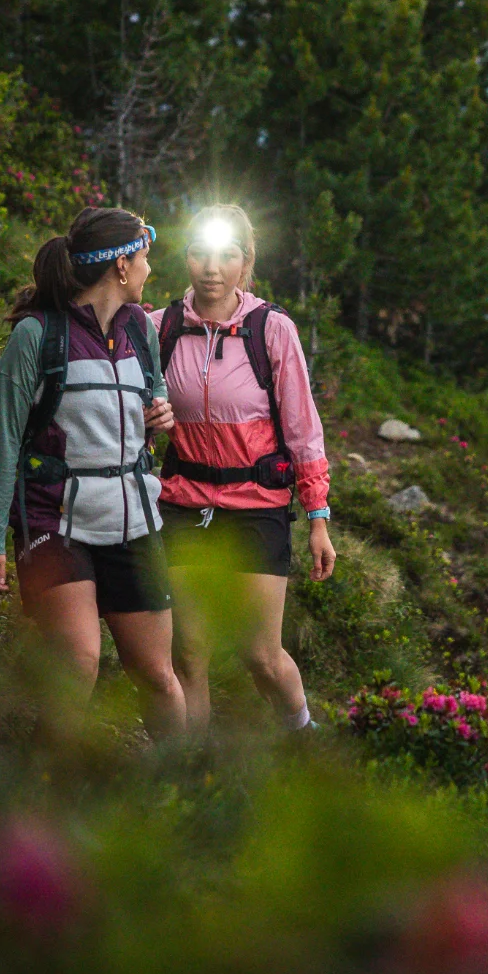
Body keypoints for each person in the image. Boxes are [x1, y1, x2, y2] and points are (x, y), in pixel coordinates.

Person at [0, 206, 186, 737]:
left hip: (132, 520)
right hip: (54, 519)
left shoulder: (141, 327)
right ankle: (56, 794)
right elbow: (4, 441)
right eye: (144, 257)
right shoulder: (36, 335)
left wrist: (160, 410)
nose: (149, 270)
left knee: (158, 675)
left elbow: (154, 391)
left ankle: (182, 792)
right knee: (77, 665)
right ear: (119, 266)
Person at [157, 205, 335, 731]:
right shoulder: (159, 328)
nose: (211, 267)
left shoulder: (272, 330)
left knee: (260, 655)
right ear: (186, 257)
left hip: (258, 506)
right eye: (200, 253)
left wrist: (318, 517)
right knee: (189, 653)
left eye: (226, 255)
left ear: (245, 262)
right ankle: (194, 778)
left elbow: (304, 430)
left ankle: (302, 730)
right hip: (184, 502)